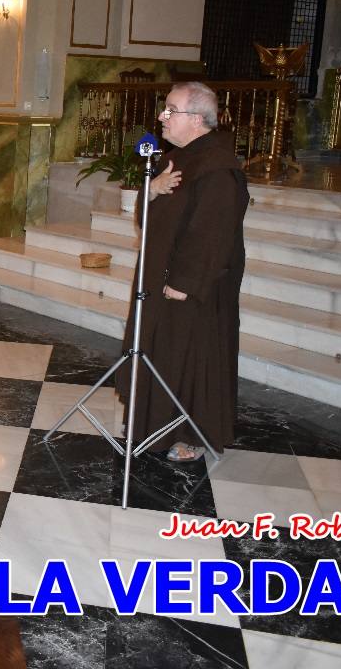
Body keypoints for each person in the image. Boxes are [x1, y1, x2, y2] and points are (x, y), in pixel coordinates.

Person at [115, 81, 249, 462]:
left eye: (170, 110)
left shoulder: (218, 168)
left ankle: (188, 435)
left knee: (189, 357)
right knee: (160, 352)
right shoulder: (174, 158)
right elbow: (147, 220)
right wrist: (151, 190)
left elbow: (213, 232)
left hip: (191, 287)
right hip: (158, 277)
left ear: (196, 119)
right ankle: (152, 426)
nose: (162, 116)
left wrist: (184, 283)